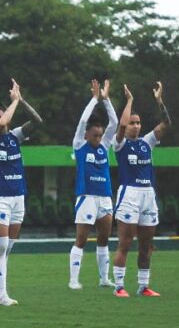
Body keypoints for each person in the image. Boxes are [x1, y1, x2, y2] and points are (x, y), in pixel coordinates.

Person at [0, 79, 43, 305]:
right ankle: (2, 294)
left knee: (6, 251)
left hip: (18, 198)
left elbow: (37, 121)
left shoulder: (15, 136)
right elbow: (4, 122)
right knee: (0, 248)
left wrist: (21, 100)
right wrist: (13, 103)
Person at [110, 82, 170, 298]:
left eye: (138, 123)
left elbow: (166, 123)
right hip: (129, 195)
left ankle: (143, 286)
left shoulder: (147, 143)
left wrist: (159, 101)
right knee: (125, 242)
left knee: (146, 245)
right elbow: (121, 126)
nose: (135, 126)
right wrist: (129, 101)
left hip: (148, 196)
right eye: (132, 123)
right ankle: (119, 286)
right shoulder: (120, 145)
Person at [68, 79, 118, 290]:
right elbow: (81, 122)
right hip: (86, 197)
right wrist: (94, 99)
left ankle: (104, 278)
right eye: (95, 135)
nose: (98, 138)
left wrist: (106, 100)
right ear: (87, 134)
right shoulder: (80, 146)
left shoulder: (104, 147)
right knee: (81, 238)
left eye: (100, 135)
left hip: (105, 197)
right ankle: (73, 279)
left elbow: (114, 123)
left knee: (104, 238)